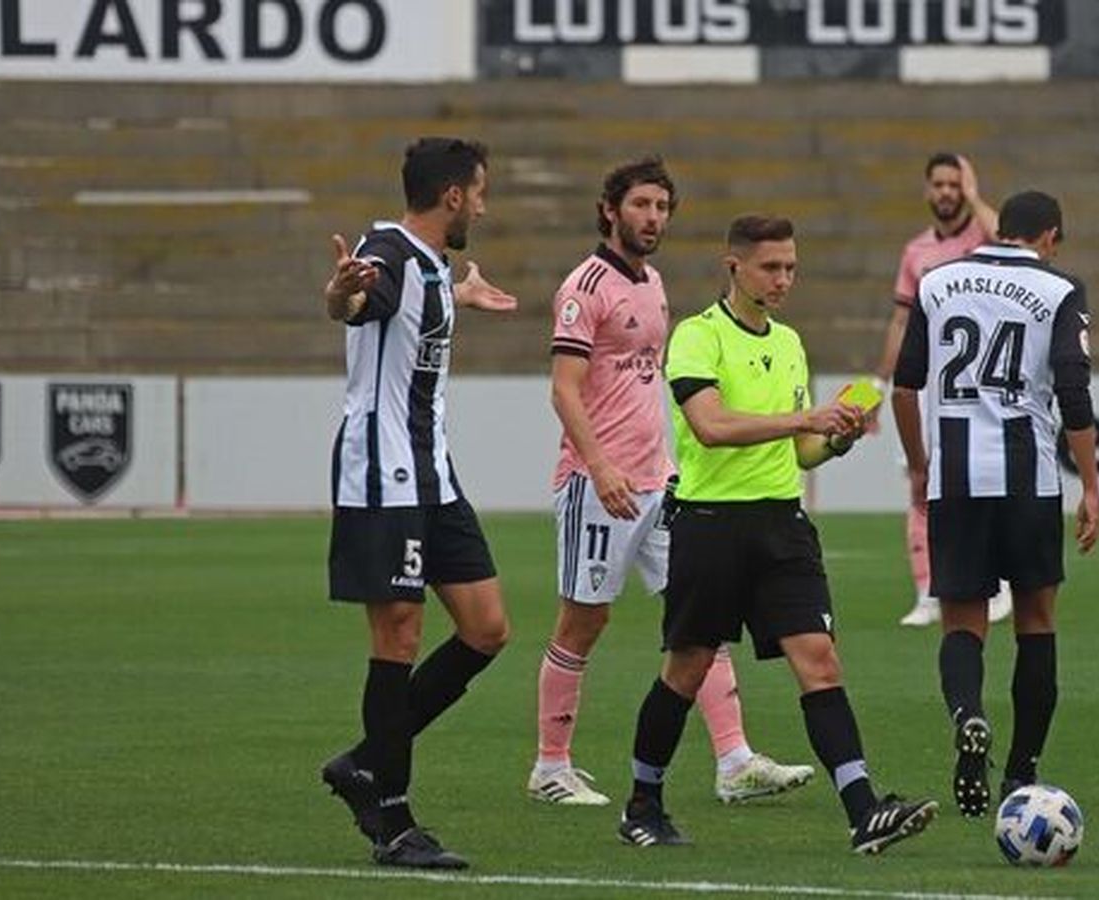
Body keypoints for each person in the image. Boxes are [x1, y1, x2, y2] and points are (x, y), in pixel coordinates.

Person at [617, 214, 939, 854]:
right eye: (771, 267)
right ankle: (642, 803)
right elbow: (710, 426)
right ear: (733, 266)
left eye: (791, 267)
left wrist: (836, 439)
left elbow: (801, 452)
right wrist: (806, 416)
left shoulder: (790, 342)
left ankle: (862, 811)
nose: (784, 278)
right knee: (686, 669)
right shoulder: (696, 337)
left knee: (819, 660)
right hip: (711, 525)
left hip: (782, 526)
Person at [532, 157, 813, 806]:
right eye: (641, 206)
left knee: (701, 622)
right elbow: (564, 390)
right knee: (584, 622)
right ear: (610, 210)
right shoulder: (586, 285)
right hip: (597, 483)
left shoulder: (653, 283)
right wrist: (600, 466)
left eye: (662, 207)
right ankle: (550, 766)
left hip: (662, 485)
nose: (653, 218)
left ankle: (734, 761)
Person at [318, 137, 520, 870]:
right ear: (455, 196)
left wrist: (458, 295)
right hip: (384, 474)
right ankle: (393, 822)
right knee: (399, 636)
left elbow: (410, 307)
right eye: (482, 191)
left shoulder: (429, 266)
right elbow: (353, 302)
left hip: (433, 471)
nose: (485, 205)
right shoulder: (388, 252)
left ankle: (366, 761)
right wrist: (341, 290)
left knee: (487, 628)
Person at [890, 189, 1099, 819]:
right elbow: (1074, 389)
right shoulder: (1061, 290)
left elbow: (904, 385)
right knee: (1036, 624)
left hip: (955, 479)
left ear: (999, 230)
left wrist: (920, 464)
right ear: (1051, 237)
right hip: (1028, 479)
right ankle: (1020, 773)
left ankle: (969, 716)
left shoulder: (937, 282)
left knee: (963, 624)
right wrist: (1090, 484)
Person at [875, 153, 1009, 628]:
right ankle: (928, 592)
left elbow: (1011, 242)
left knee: (980, 482)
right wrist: (880, 383)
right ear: (927, 190)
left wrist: (978, 198)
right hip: (930, 383)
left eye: (956, 184)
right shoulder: (916, 252)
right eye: (940, 184)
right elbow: (899, 319)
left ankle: (997, 585)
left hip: (979, 384)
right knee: (919, 484)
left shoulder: (985, 239)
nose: (948, 192)